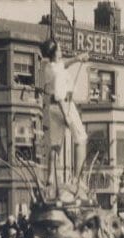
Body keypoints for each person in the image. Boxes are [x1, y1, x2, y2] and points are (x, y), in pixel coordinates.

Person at [41, 39, 89, 175]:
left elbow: (63, 65)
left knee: (56, 144)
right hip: (65, 105)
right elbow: (60, 95)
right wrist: (67, 116)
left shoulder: (49, 67)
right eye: (60, 49)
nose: (61, 51)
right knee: (81, 138)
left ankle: (50, 178)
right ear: (56, 53)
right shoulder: (59, 73)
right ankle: (77, 178)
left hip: (52, 107)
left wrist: (77, 58)